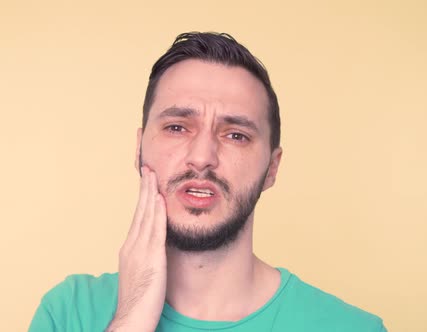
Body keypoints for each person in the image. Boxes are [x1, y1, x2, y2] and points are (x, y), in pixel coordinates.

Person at [28, 32, 386, 332]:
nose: (202, 157)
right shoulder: (69, 312)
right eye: (177, 127)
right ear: (139, 149)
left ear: (272, 168)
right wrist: (132, 316)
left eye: (236, 135)